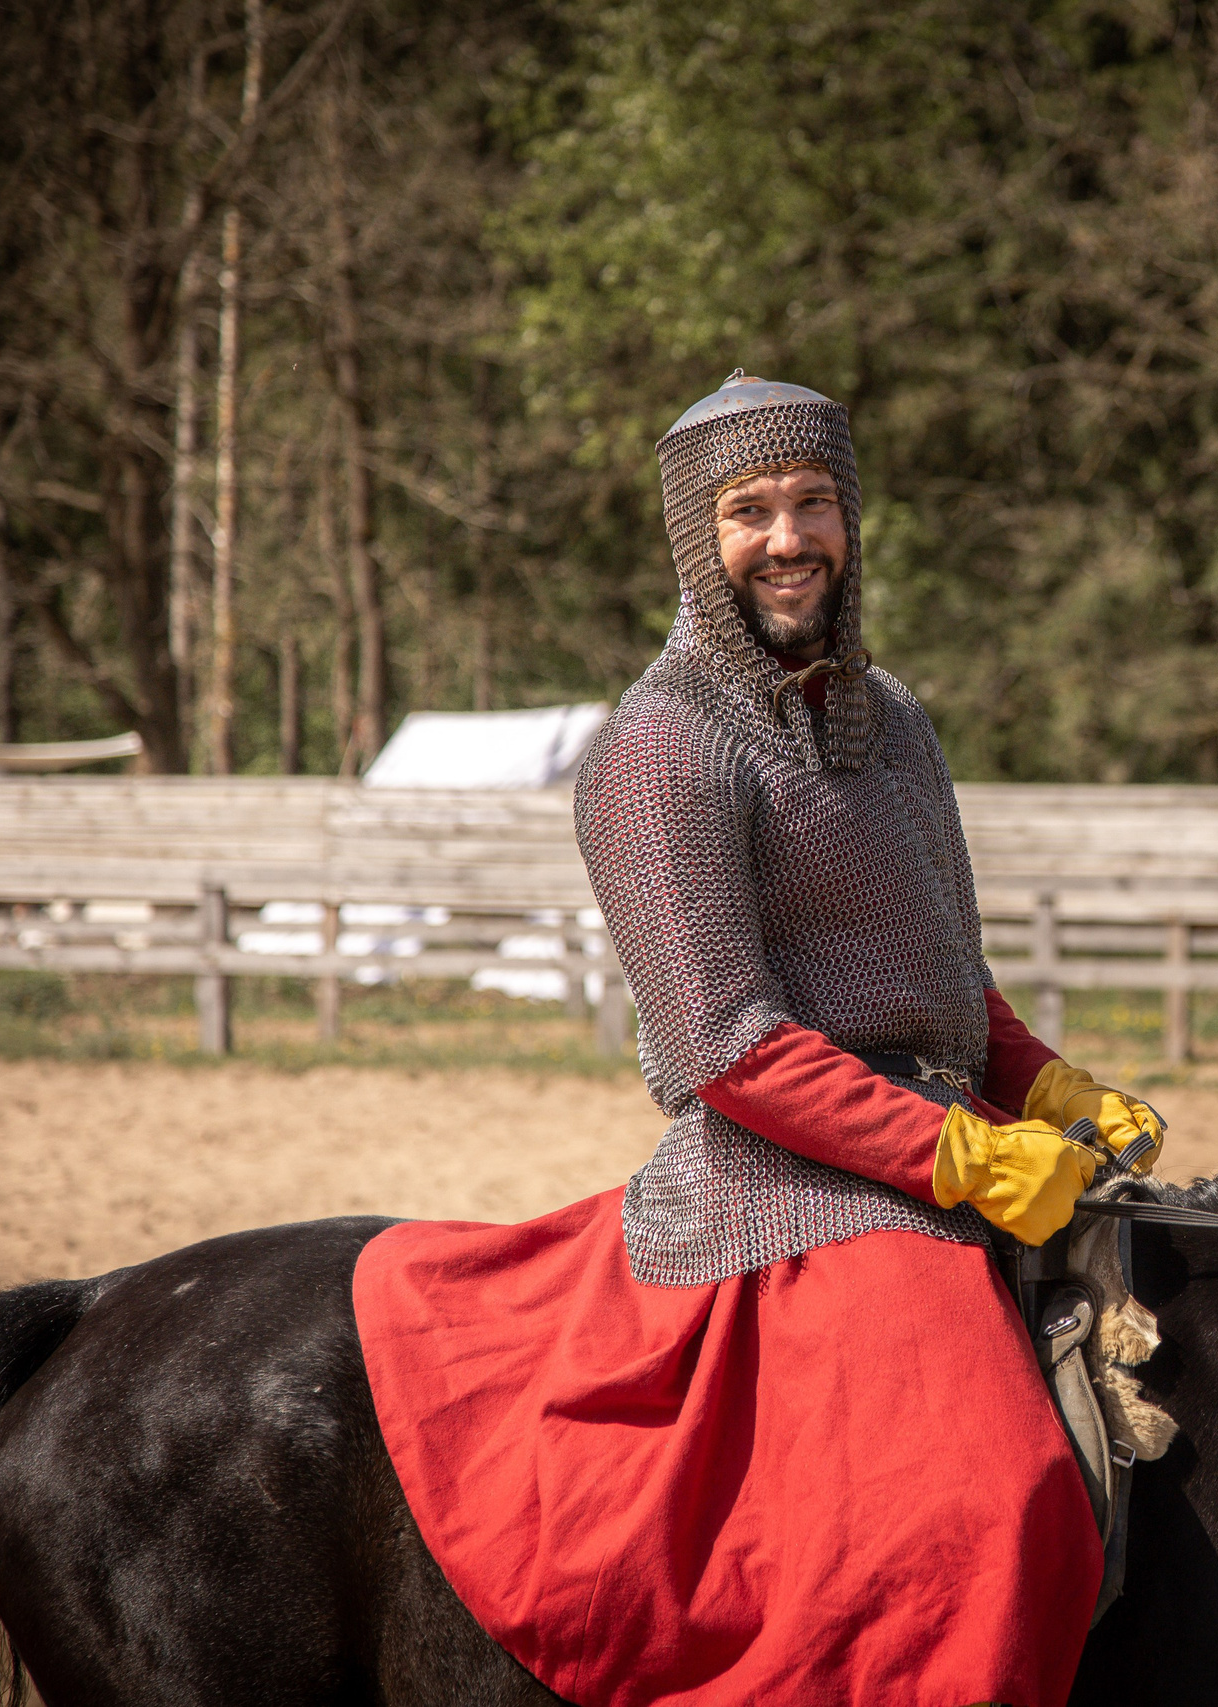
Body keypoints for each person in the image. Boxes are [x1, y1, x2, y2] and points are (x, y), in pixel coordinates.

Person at [352, 372, 1163, 1707]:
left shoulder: (894, 722)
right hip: (797, 1189)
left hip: (948, 1139)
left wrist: (1049, 1086)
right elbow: (724, 1047)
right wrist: (964, 1157)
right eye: (748, 511)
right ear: (697, 537)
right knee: (997, 1505)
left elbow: (947, 977)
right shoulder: (660, 749)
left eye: (811, 502)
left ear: (851, 518)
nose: (787, 538)